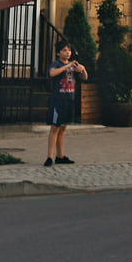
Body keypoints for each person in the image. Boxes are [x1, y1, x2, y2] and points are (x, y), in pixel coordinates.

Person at [45, 39, 87, 167]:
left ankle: (60, 155)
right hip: (58, 100)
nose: (67, 52)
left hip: (70, 99)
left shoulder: (73, 65)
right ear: (58, 53)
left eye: (68, 50)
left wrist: (83, 69)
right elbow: (52, 73)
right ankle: (49, 157)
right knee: (55, 127)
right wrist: (66, 66)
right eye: (64, 50)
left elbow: (84, 77)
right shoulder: (56, 64)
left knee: (63, 128)